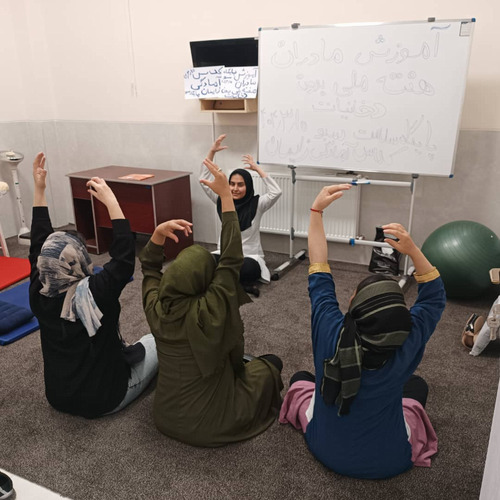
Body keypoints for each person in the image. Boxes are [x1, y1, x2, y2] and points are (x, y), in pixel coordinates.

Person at [279, 184, 446, 479]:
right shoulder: (407, 341)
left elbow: (318, 268)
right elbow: (434, 297)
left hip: (324, 448)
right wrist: (412, 250)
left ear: (353, 305)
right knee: (417, 387)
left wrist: (316, 212)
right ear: (400, 317)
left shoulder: (331, 329)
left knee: (301, 379)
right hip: (389, 460)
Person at [140, 157, 283, 447]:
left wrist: (156, 236)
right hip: (212, 423)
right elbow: (230, 259)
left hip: (165, 418)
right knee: (270, 365)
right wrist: (226, 198)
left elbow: (150, 271)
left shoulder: (156, 307)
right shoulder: (212, 307)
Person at [29, 152, 158, 418]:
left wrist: (39, 190)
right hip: (105, 399)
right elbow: (124, 260)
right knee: (155, 341)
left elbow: (38, 247)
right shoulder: (94, 293)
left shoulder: (39, 290)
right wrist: (111, 201)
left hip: (58, 396)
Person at [199, 134, 282, 295]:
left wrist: (258, 169)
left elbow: (276, 192)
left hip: (248, 256)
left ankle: (222, 282)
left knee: (248, 269)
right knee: (203, 262)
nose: (235, 189)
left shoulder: (257, 204)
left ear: (248, 186)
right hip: (224, 253)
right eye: (232, 184)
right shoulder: (221, 199)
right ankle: (237, 284)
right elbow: (203, 179)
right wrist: (212, 152)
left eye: (240, 185)